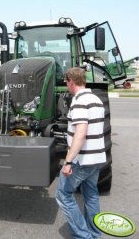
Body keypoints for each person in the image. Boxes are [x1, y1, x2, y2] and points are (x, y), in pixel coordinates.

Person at [56, 67, 106, 239]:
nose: (66, 85)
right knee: (91, 194)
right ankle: (94, 232)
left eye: (66, 82)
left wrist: (68, 161)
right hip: (97, 158)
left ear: (71, 80)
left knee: (63, 195)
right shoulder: (96, 99)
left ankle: (83, 236)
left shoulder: (79, 101)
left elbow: (81, 133)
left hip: (82, 160)